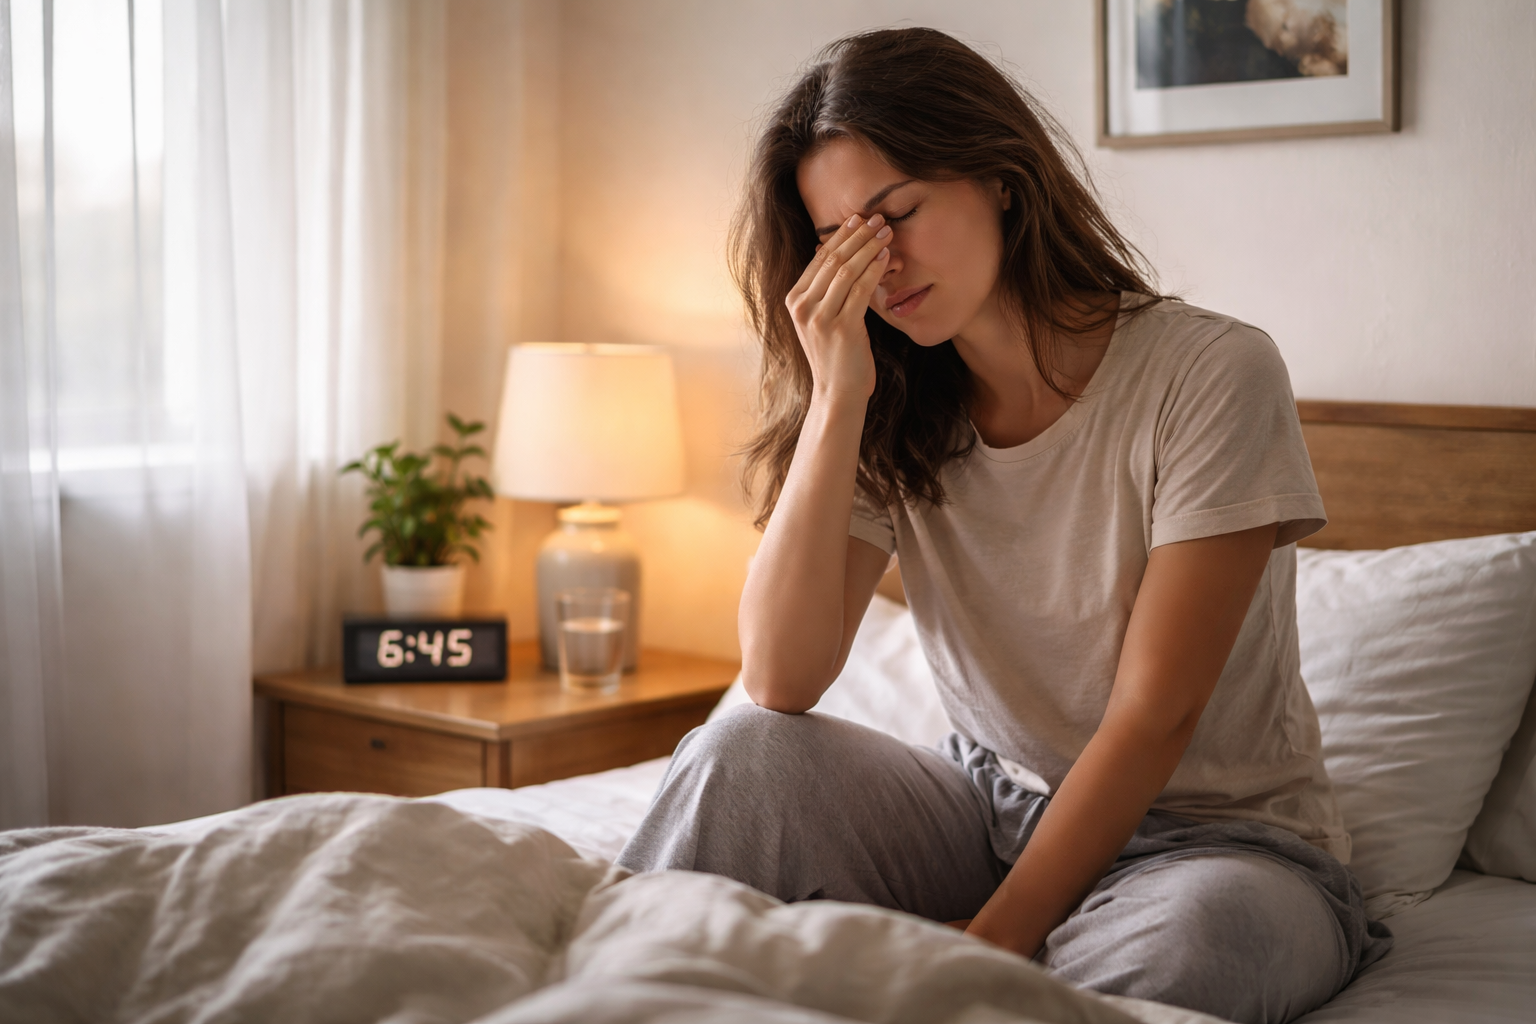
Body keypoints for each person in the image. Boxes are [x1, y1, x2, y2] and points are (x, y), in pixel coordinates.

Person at [615, 27, 1390, 1024]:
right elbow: (780, 676)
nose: (878, 267)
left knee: (1194, 940)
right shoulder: (892, 405)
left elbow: (1157, 714)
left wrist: (991, 940)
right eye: (842, 242)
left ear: (1000, 178)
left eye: (895, 215)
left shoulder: (1211, 374)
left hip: (1219, 848)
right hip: (988, 814)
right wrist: (836, 393)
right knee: (738, 753)